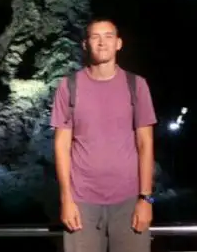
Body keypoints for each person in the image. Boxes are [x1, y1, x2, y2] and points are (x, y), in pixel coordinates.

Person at [49, 17, 158, 252]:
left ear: (118, 43)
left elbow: (145, 143)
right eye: (95, 37)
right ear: (85, 44)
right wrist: (66, 200)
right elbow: (61, 146)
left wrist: (146, 199)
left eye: (108, 36)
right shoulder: (68, 87)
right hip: (82, 202)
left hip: (129, 200)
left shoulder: (136, 85)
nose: (102, 43)